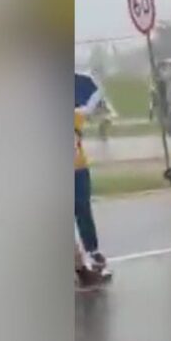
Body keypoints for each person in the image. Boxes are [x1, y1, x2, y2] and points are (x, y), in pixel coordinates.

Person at [74, 100, 110, 282]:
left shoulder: (76, 114)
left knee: (83, 211)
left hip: (78, 169)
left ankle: (93, 252)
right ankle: (77, 264)